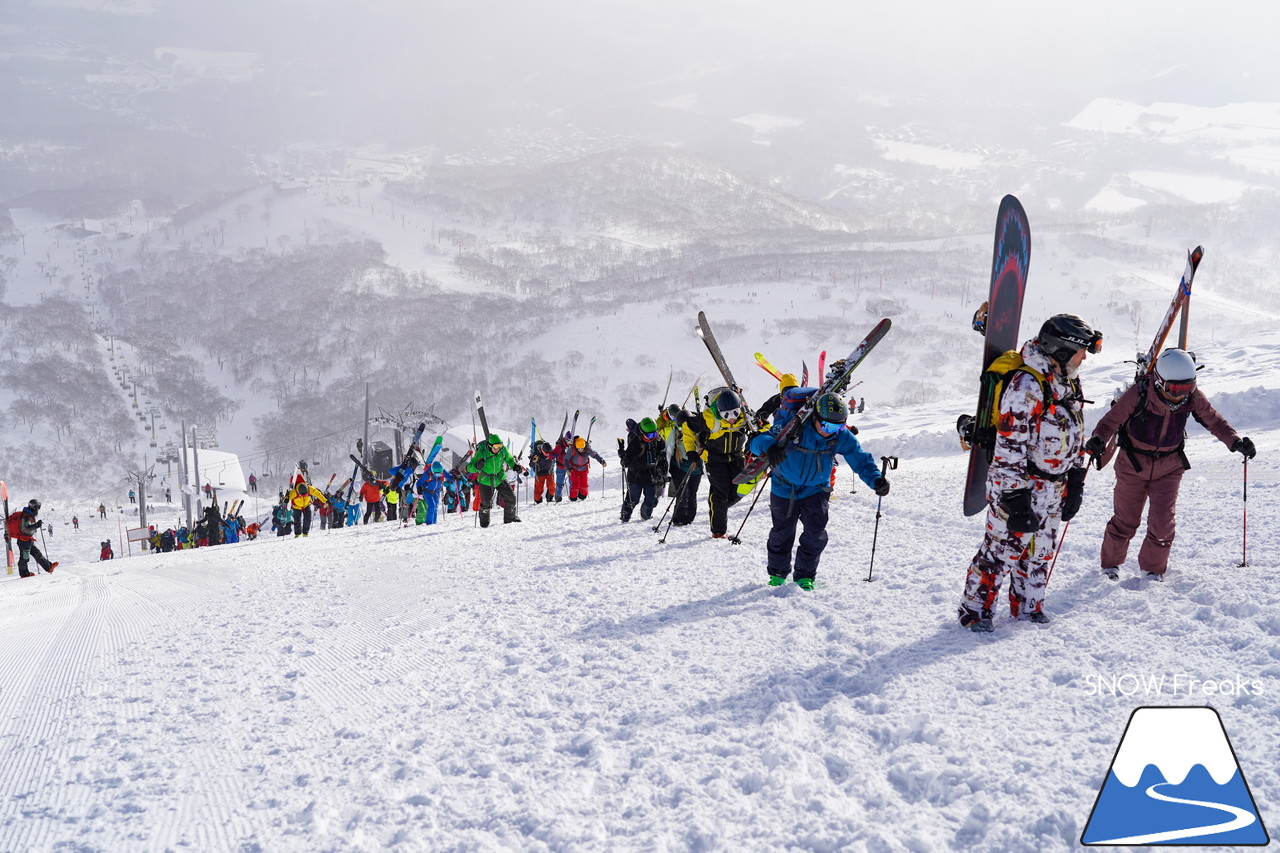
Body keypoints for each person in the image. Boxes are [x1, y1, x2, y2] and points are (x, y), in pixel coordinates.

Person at [959, 314, 1100, 632]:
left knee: (1040, 551)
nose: (1084, 359)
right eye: (1080, 352)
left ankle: (1027, 608)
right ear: (1062, 351)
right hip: (1021, 485)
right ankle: (974, 611)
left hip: (1054, 486)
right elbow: (1010, 444)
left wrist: (1075, 478)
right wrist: (1013, 496)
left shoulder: (1068, 380)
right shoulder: (1027, 385)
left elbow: (1074, 430)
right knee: (1001, 551)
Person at [1086, 347, 1254, 581]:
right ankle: (1110, 565)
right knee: (1126, 520)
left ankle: (1152, 569)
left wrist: (1235, 441)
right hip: (1133, 465)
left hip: (1169, 467)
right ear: (1159, 381)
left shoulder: (1193, 398)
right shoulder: (1139, 393)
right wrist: (1098, 440)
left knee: (1163, 524)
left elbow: (1214, 421)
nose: (1180, 395)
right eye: (1174, 389)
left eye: (1186, 388)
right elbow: (1109, 422)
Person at [750, 393, 887, 589]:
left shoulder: (840, 435)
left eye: (837, 426)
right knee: (782, 533)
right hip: (784, 486)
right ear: (816, 417)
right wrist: (770, 446)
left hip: (816, 489)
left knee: (815, 533)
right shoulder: (794, 426)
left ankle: (805, 575)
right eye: (827, 426)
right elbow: (757, 442)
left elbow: (860, 458)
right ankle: (778, 574)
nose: (830, 431)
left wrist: (875, 479)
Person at [683, 388, 752, 539]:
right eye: (726, 415)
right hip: (714, 459)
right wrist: (690, 451)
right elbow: (687, 426)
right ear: (719, 412)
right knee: (720, 494)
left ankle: (717, 504)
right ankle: (718, 531)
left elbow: (762, 425)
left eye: (734, 413)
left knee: (736, 492)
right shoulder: (709, 418)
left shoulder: (746, 415)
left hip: (736, 458)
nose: (731, 418)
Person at [466, 434, 528, 527]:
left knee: (511, 498)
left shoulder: (503, 450)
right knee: (486, 503)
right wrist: (476, 466)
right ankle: (484, 524)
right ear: (490, 446)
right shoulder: (482, 453)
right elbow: (468, 468)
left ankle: (510, 519)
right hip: (485, 480)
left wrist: (515, 466)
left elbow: (510, 459)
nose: (498, 449)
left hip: (499, 477)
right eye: (496, 447)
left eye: (500, 446)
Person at [621, 418, 667, 523]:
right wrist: (622, 455)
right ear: (642, 433)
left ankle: (646, 515)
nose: (653, 437)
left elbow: (662, 447)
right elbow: (626, 462)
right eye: (650, 436)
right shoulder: (635, 443)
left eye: (655, 434)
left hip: (651, 474)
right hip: (636, 475)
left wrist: (659, 440)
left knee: (651, 499)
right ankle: (625, 516)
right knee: (633, 499)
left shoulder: (656, 439)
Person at [6, 499, 57, 577]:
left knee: (37, 554)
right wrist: (36, 525)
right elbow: (24, 529)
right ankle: (24, 573)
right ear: (34, 507)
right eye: (38, 507)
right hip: (24, 541)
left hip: (28, 539)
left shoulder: (29, 515)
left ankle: (49, 567)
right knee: (25, 558)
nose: (38, 509)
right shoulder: (26, 516)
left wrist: (36, 525)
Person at [564, 436, 606, 501]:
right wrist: (567, 469)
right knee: (575, 484)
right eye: (579, 448)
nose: (580, 450)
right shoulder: (572, 449)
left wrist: (601, 460)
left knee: (584, 484)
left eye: (582, 448)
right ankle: (573, 498)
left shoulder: (587, 449)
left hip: (584, 469)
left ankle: (582, 496)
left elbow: (595, 455)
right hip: (574, 469)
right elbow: (566, 459)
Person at [551, 431, 573, 503]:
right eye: (568, 440)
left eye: (570, 440)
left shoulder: (572, 446)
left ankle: (573, 496)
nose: (569, 442)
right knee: (559, 483)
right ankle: (558, 496)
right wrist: (554, 455)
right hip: (561, 467)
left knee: (572, 482)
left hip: (570, 467)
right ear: (565, 439)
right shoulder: (560, 446)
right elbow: (551, 454)